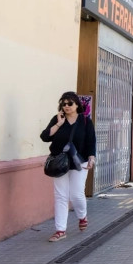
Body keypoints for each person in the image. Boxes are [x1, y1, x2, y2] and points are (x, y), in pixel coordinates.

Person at [40, 91, 96, 242]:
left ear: (77, 104)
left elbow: (91, 141)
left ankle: (82, 216)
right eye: (63, 104)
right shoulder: (58, 119)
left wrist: (91, 158)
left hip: (79, 161)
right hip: (60, 162)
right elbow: (45, 137)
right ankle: (60, 230)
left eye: (69, 103)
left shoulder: (85, 121)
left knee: (76, 194)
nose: (66, 106)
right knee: (60, 196)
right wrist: (58, 124)